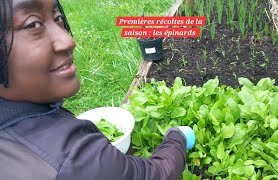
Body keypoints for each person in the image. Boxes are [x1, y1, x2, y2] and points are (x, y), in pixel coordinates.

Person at [0, 0, 195, 180]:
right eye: (32, 24)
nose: (68, 40)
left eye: (58, 18)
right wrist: (176, 137)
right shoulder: (77, 161)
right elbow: (155, 174)